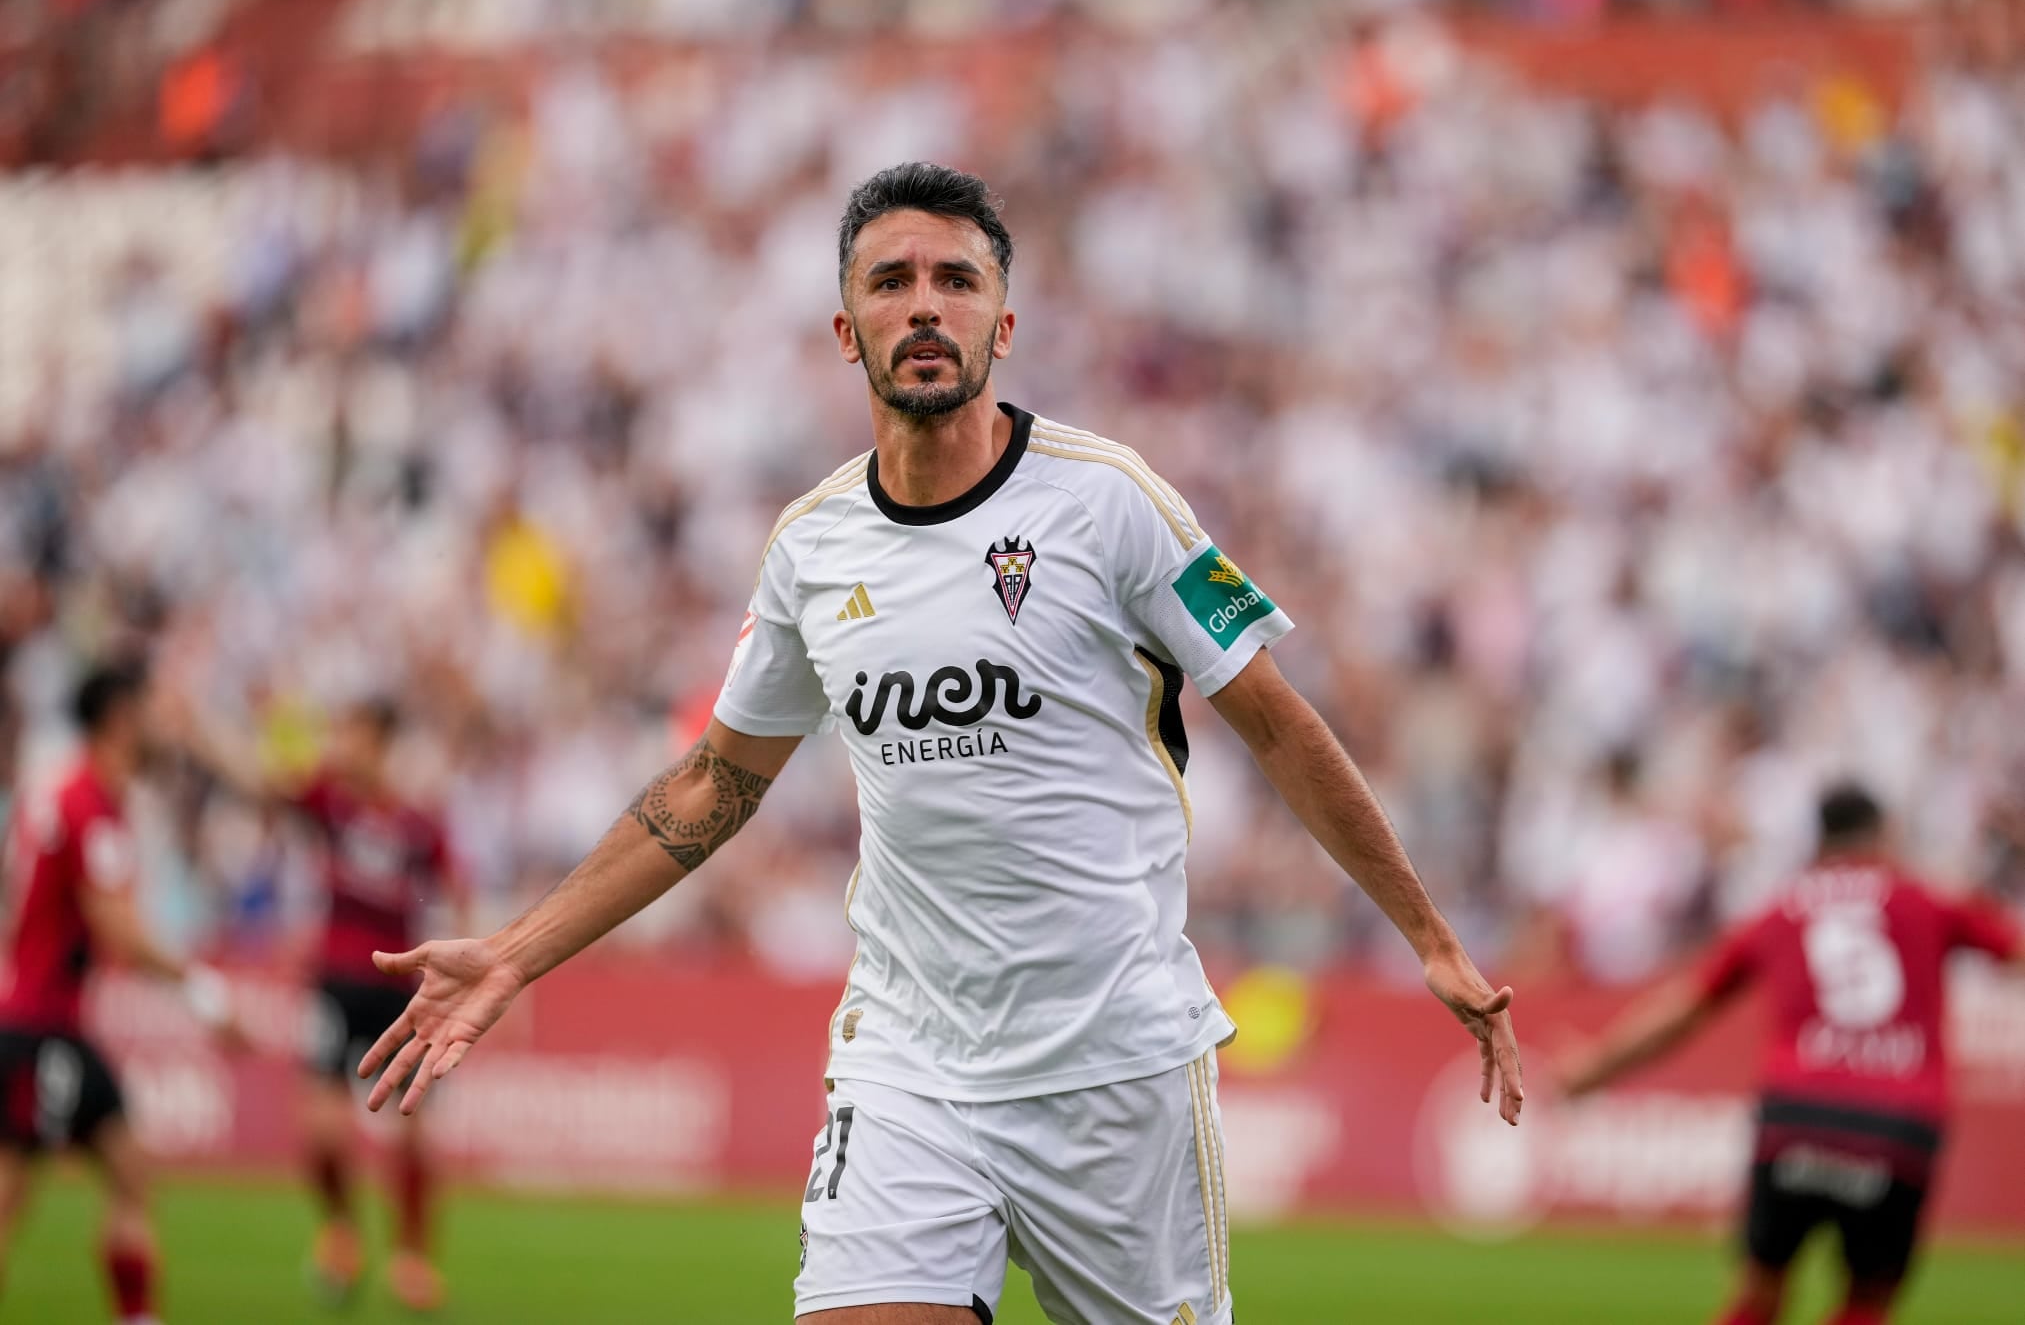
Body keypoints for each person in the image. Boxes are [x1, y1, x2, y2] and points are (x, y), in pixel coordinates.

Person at [360, 161, 1524, 1325]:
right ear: (845, 328)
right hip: (909, 1060)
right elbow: (716, 782)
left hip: (1111, 1069)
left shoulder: (1110, 501)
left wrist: (1426, 933)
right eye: (893, 281)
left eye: (956, 281)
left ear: (1003, 324)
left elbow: (1276, 720)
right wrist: (517, 953)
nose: (925, 305)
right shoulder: (813, 546)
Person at [1556, 783, 2025, 1325]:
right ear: (1884, 834)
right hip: (1899, 1123)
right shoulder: (1928, 899)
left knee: (1759, 1297)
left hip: (1798, 1115)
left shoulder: (1782, 908)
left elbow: (1685, 1005)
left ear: (1820, 843)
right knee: (1866, 1302)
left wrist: (1591, 1071)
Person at [172, 695, 463, 1311]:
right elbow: (258, 782)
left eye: (353, 733)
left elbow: (455, 887)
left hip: (398, 990)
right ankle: (341, 1230)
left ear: (381, 743)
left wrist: (467, 970)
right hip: (334, 985)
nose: (341, 745)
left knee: (412, 1137)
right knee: (324, 1135)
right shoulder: (329, 801)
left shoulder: (417, 823)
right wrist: (200, 729)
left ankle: (412, 1256)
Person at [0, 660, 242, 1325]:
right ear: (120, 718)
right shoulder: (88, 801)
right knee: (9, 1195)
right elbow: (119, 932)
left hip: (52, 1024)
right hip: (39, 1026)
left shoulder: (62, 792)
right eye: (149, 708)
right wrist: (206, 997)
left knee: (132, 1170)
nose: (160, 723)